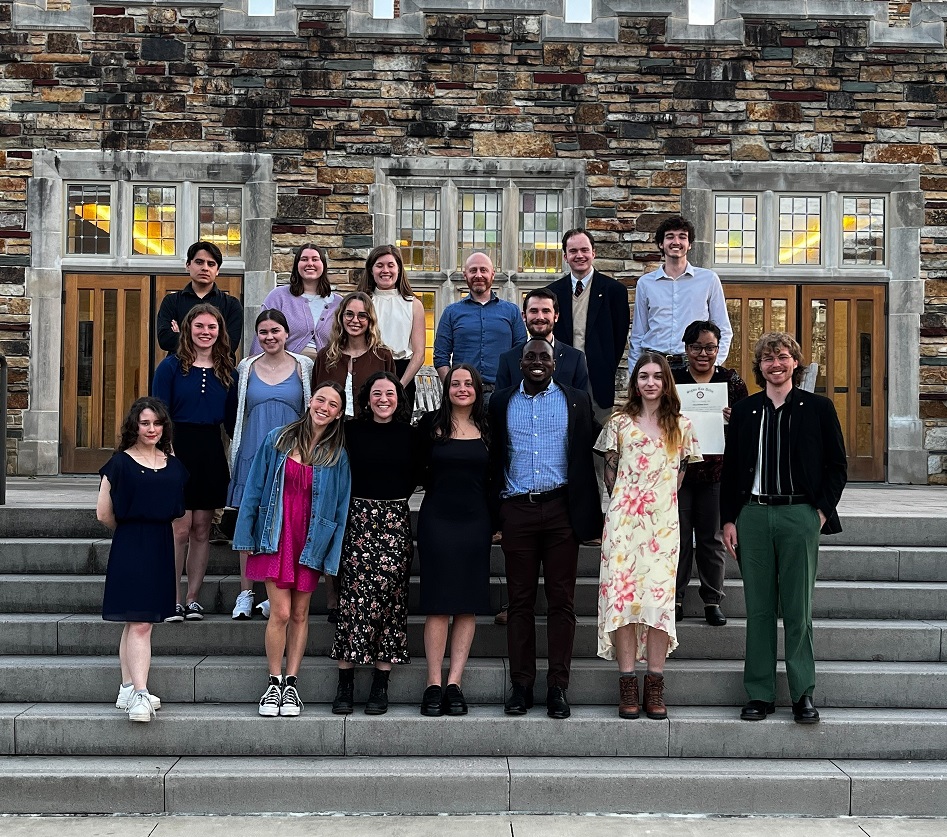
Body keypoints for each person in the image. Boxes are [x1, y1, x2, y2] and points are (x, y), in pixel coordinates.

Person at [721, 332, 847, 725]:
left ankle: (802, 694)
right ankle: (759, 694)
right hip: (754, 516)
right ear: (759, 367)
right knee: (759, 610)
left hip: (799, 516)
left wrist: (821, 513)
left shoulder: (818, 408)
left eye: (783, 357)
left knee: (798, 610)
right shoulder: (745, 411)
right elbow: (731, 470)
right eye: (767, 359)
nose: (775, 364)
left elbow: (837, 466)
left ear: (796, 362)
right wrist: (729, 519)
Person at [489, 338, 603, 720]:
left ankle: (558, 686)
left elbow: (600, 447)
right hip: (517, 510)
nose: (538, 362)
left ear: (555, 364)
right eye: (530, 357)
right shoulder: (501, 400)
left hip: (560, 511)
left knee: (562, 603)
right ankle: (521, 685)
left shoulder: (576, 401)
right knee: (520, 603)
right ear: (519, 363)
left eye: (545, 357)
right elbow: (493, 454)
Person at [233, 382, 351, 718]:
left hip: (311, 541)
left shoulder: (337, 454)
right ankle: (273, 683)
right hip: (276, 535)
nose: (324, 407)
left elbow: (341, 508)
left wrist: (332, 555)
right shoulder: (277, 439)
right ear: (310, 401)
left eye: (332, 404)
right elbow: (255, 488)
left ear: (339, 413)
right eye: (320, 399)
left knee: (300, 614)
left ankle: (291, 686)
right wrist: (247, 535)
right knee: (281, 613)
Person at [595, 352, 701, 721]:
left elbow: (680, 476)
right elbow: (611, 477)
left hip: (662, 526)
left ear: (666, 381)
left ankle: (654, 684)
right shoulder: (619, 424)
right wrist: (630, 502)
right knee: (623, 603)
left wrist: (655, 504)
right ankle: (627, 684)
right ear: (635, 382)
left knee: (656, 605)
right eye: (644, 376)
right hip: (624, 524)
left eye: (657, 376)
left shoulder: (682, 426)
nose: (650, 382)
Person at [96, 397, 188, 723]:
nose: (151, 429)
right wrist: (131, 529)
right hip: (131, 543)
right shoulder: (120, 463)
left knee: (136, 621)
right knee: (141, 623)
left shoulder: (174, 466)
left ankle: (126, 687)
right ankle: (139, 694)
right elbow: (103, 513)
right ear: (135, 425)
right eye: (145, 423)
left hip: (161, 544)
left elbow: (178, 510)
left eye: (157, 423)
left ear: (165, 427)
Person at [330, 372, 416, 716]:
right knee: (354, 598)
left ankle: (381, 684)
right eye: (377, 393)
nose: (383, 398)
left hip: (395, 520)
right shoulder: (351, 432)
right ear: (367, 399)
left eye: (390, 393)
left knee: (392, 600)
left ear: (399, 398)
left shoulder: (412, 436)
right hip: (358, 520)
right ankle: (345, 683)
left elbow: (419, 475)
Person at [152, 303, 238, 622]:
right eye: (199, 326)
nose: (205, 332)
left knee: (203, 528)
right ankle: (173, 598)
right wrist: (166, 452)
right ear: (188, 328)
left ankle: (193, 598)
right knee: (180, 527)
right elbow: (158, 413)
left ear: (220, 331)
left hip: (211, 450)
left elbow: (231, 422)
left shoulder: (229, 370)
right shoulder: (171, 367)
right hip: (177, 447)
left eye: (212, 327)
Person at [415, 364, 492, 717]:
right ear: (446, 388)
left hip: (475, 523)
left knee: (466, 603)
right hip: (437, 521)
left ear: (477, 389)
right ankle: (433, 682)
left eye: (468, 384)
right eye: (455, 383)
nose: (462, 389)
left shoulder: (489, 428)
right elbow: (413, 470)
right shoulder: (430, 426)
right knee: (438, 602)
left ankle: (454, 683)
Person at [228, 310, 313, 620]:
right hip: (253, 451)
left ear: (286, 333)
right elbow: (234, 413)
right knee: (249, 521)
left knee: (283, 522)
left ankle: (272, 593)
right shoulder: (246, 368)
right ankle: (245, 592)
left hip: (291, 455)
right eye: (263, 332)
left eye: (275, 330)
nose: (269, 336)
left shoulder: (304, 366)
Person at [672, 320, 748, 627]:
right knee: (675, 539)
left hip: (717, 472)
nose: (703, 354)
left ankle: (712, 600)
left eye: (710, 347)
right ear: (686, 348)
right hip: (677, 471)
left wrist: (736, 418)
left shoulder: (730, 381)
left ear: (719, 348)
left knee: (712, 539)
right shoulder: (673, 378)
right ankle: (674, 598)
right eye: (696, 347)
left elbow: (749, 426)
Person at [629, 215, 733, 369]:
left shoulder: (709, 279)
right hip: (655, 363)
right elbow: (638, 334)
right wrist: (635, 371)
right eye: (670, 237)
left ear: (689, 244)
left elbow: (723, 329)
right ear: (661, 243)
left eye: (682, 237)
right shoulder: (645, 283)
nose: (676, 242)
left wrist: (713, 365)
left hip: (693, 364)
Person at [546, 229, 630, 417]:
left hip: (598, 382)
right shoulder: (552, 293)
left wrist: (606, 366)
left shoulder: (614, 291)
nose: (579, 255)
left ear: (593, 253)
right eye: (573, 251)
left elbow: (619, 337)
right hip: (561, 379)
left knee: (598, 438)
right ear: (565, 256)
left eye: (584, 250)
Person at [433, 251, 527, 400]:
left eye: (483, 270)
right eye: (473, 270)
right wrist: (452, 388)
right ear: (465, 275)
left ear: (492, 274)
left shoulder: (511, 311)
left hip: (502, 393)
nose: (478, 275)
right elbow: (440, 356)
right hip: (464, 395)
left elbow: (522, 354)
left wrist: (513, 389)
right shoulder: (451, 312)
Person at [357, 245, 426, 407]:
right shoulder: (362, 302)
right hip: (368, 369)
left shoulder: (413, 304)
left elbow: (419, 353)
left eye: (390, 265)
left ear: (399, 269)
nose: (385, 270)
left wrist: (399, 386)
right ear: (371, 270)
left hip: (402, 373)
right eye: (379, 265)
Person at [249, 243, 342, 361]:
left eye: (315, 259)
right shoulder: (278, 296)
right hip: (285, 369)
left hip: (326, 370)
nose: (310, 263)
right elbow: (262, 333)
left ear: (323, 265)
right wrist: (255, 366)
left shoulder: (338, 303)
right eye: (304, 259)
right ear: (297, 265)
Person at [312, 291, 396, 420]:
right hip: (331, 431)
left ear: (370, 320)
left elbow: (392, 398)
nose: (355, 320)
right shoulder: (325, 356)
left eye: (362, 316)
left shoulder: (382, 356)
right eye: (349, 314)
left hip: (368, 430)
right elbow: (316, 396)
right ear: (341, 317)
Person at [156, 240, 243, 355]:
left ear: (217, 270)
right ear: (188, 265)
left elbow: (229, 346)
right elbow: (165, 340)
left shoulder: (231, 305)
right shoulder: (172, 301)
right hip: (179, 369)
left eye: (211, 264)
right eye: (199, 262)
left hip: (218, 370)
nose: (205, 268)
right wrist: (211, 339)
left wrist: (181, 335)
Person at [495, 288, 590, 392]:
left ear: (556, 316)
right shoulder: (508, 359)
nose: (540, 317)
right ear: (524, 316)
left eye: (546, 311)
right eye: (534, 311)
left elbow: (583, 404)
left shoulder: (575, 359)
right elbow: (501, 403)